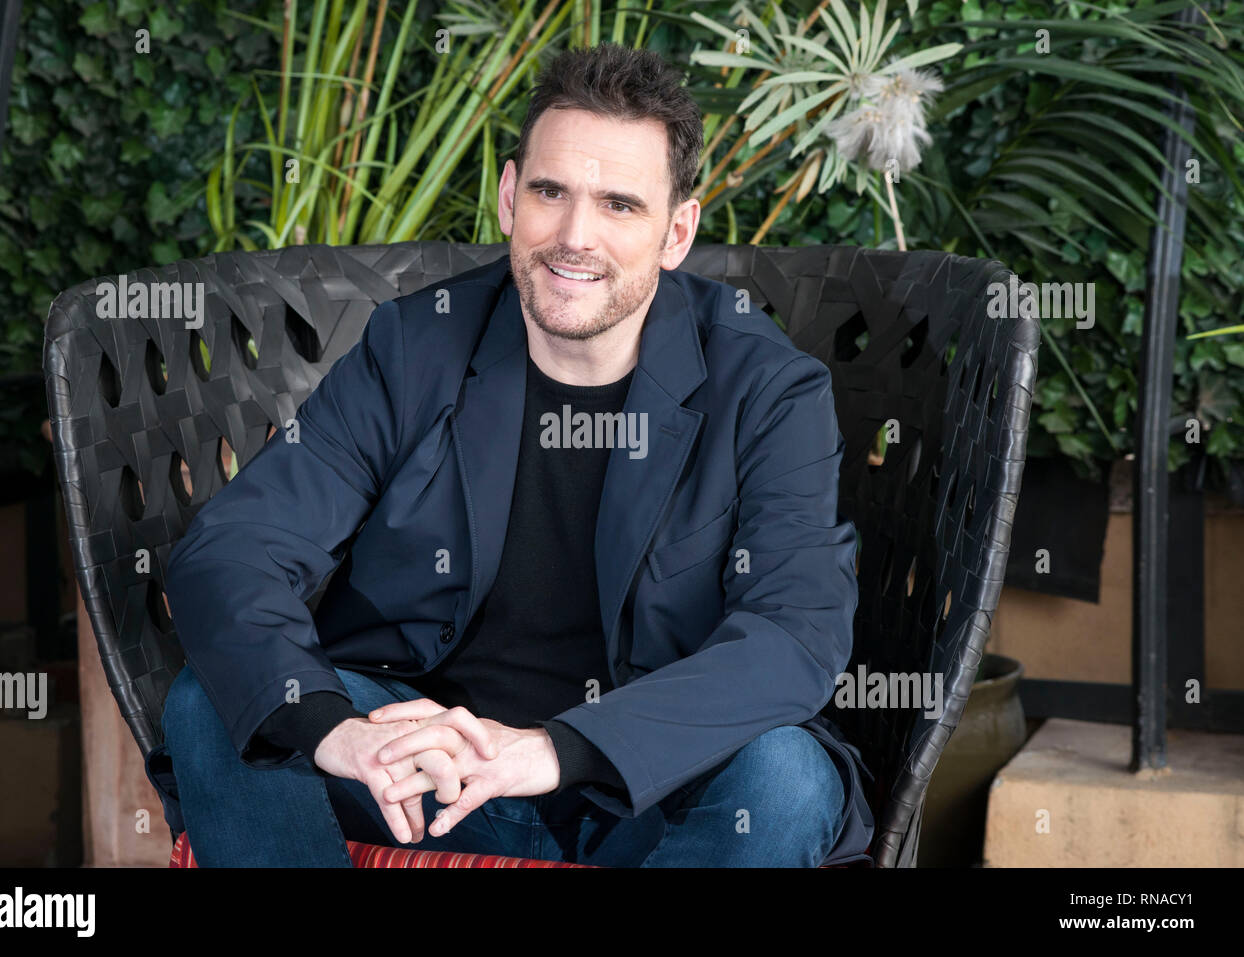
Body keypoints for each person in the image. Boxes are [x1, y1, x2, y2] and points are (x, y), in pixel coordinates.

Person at [158, 42, 874, 867]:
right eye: (550, 191)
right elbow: (233, 550)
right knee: (223, 702)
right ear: (507, 196)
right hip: (424, 775)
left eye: (618, 205)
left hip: (643, 790)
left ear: (677, 231)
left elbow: (794, 634)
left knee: (783, 780)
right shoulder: (414, 346)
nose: (574, 237)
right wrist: (336, 730)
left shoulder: (769, 389)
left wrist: (554, 749)